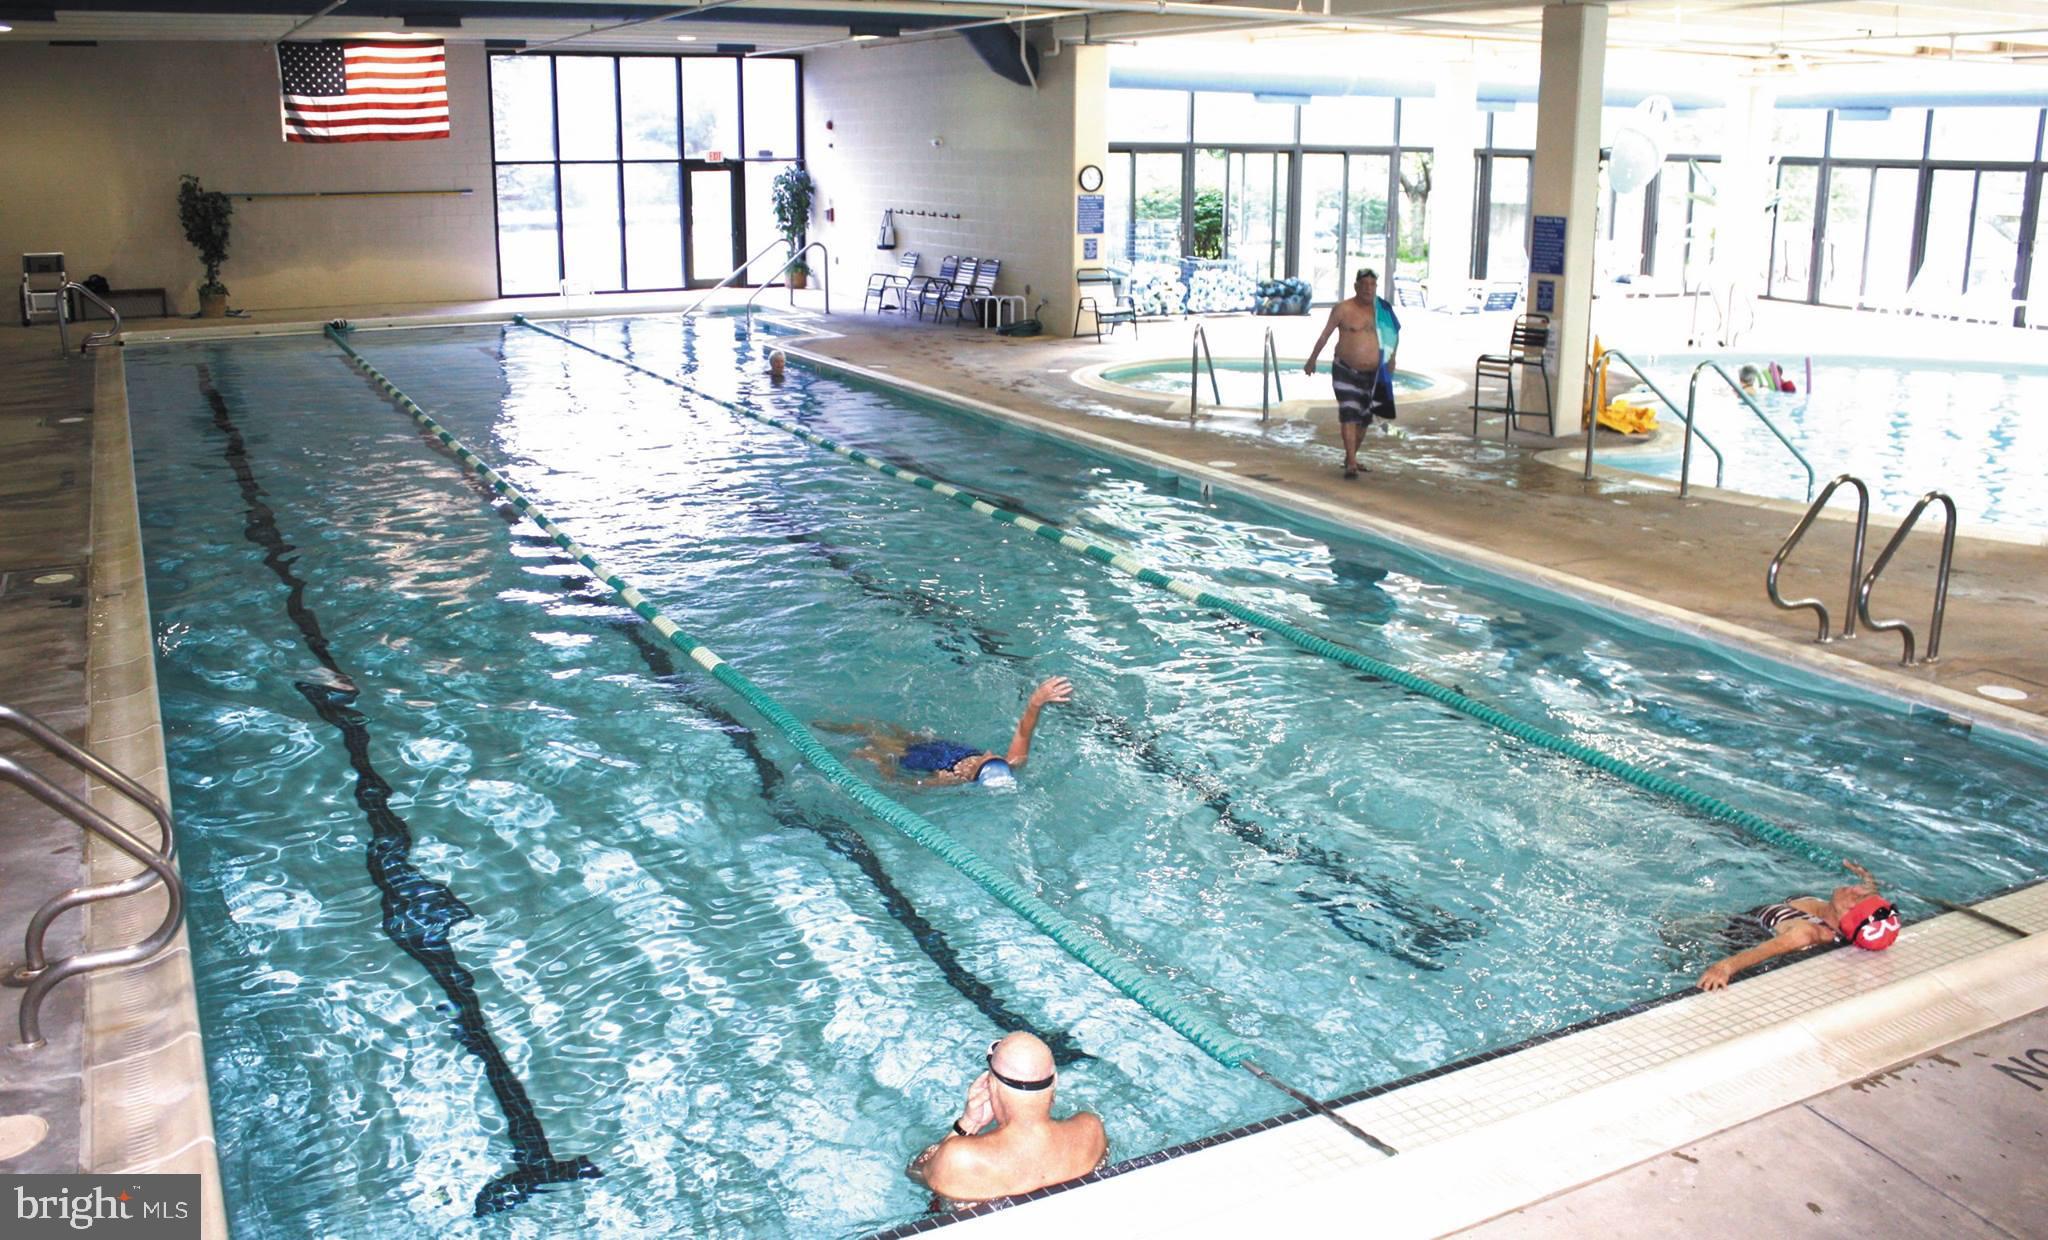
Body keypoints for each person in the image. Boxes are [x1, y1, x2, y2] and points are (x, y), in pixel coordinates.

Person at [906, 1032, 1108, 1204]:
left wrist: (967, 1124)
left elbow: (917, 1173)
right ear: (1055, 1081)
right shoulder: (1091, 1130)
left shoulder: (961, 1158)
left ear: (990, 1084)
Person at [825, 676, 1072, 788]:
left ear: (972, 772)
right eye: (992, 754)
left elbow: (902, 785)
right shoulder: (1011, 764)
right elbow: (1023, 731)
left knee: (869, 731)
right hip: (941, 746)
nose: (987, 751)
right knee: (891, 728)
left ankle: (833, 732)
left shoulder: (953, 779)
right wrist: (1036, 702)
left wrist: (881, 764)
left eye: (985, 757)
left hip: (918, 759)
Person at [1696, 860, 1902, 990]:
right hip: (1745, 917)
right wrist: (1868, 879)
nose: (1856, 889)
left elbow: (1763, 951)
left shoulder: (1808, 932)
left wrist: (1724, 967)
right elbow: (1872, 912)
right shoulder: (1837, 915)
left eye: (1858, 897)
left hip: (1729, 934)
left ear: (1846, 918)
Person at [1303, 268, 1401, 480]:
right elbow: (1324, 336)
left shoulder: (1383, 309)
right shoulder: (1343, 309)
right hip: (1345, 369)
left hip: (1373, 373)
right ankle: (1352, 464)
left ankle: (1351, 458)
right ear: (1356, 286)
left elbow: (1393, 335)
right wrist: (1312, 359)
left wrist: (1391, 360)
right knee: (1349, 412)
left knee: (1364, 419)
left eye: (1372, 284)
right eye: (1364, 284)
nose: (1368, 288)